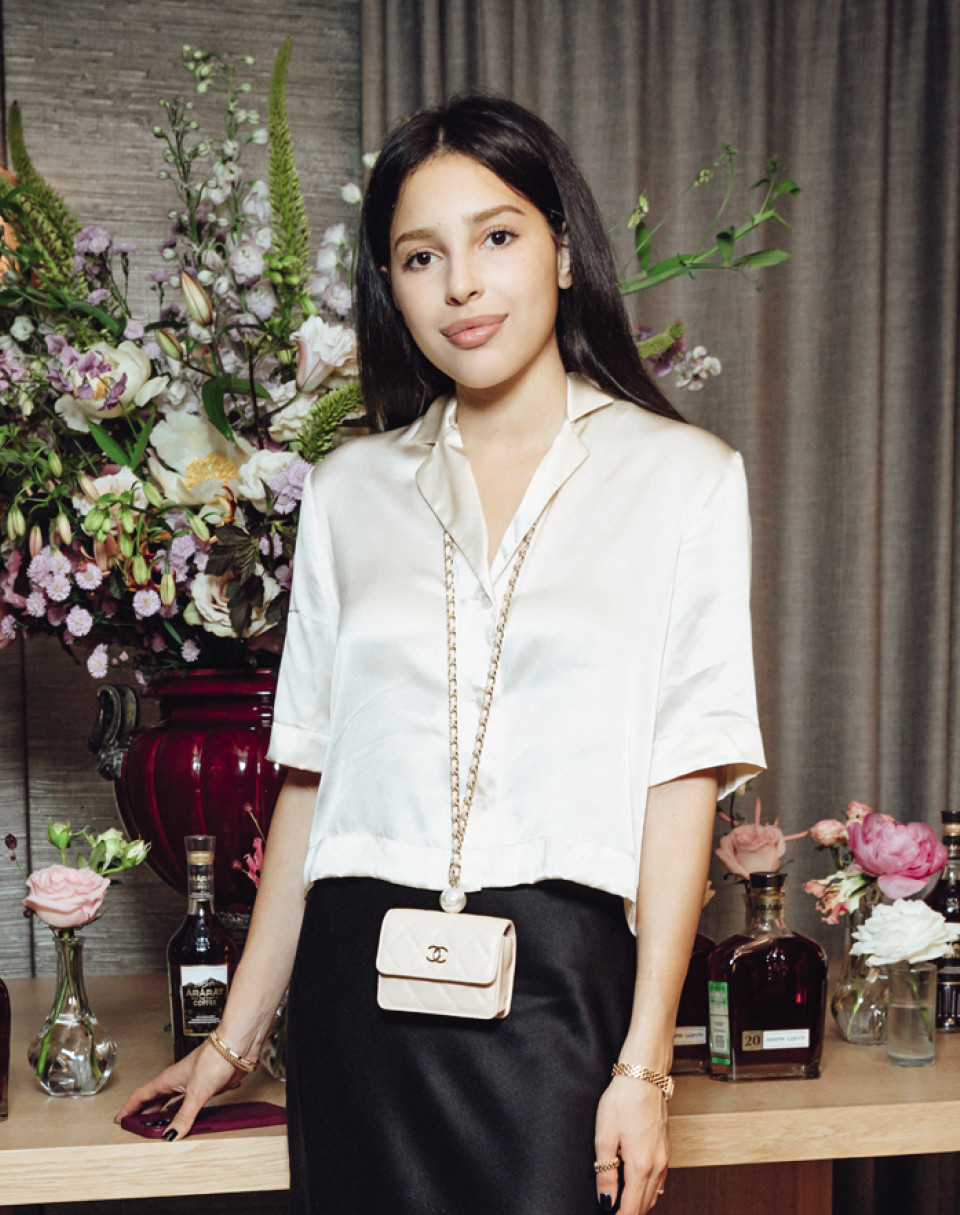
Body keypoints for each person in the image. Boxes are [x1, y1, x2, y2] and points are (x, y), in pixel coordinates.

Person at [118, 94, 765, 1215]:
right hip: (357, 996)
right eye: (422, 256)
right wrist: (234, 1038)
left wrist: (646, 1066)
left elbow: (682, 782)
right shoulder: (349, 488)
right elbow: (312, 784)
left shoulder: (686, 479)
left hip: (560, 990)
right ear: (391, 285)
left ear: (564, 252)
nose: (462, 284)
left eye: (497, 236)